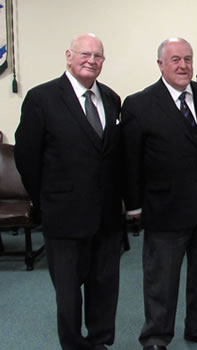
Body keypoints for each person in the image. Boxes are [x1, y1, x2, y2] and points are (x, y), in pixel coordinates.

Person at [14, 33, 123, 350]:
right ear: (68, 56)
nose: (92, 61)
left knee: (105, 285)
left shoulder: (112, 99)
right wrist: (46, 199)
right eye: (85, 54)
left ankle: (100, 341)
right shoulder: (41, 98)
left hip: (106, 215)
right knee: (68, 291)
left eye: (98, 56)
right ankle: (74, 345)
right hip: (64, 214)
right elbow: (27, 158)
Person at [121, 37, 197, 350]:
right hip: (164, 207)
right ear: (160, 65)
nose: (183, 66)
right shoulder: (139, 104)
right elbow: (130, 160)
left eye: (188, 59)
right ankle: (155, 336)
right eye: (175, 60)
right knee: (161, 281)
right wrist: (134, 206)